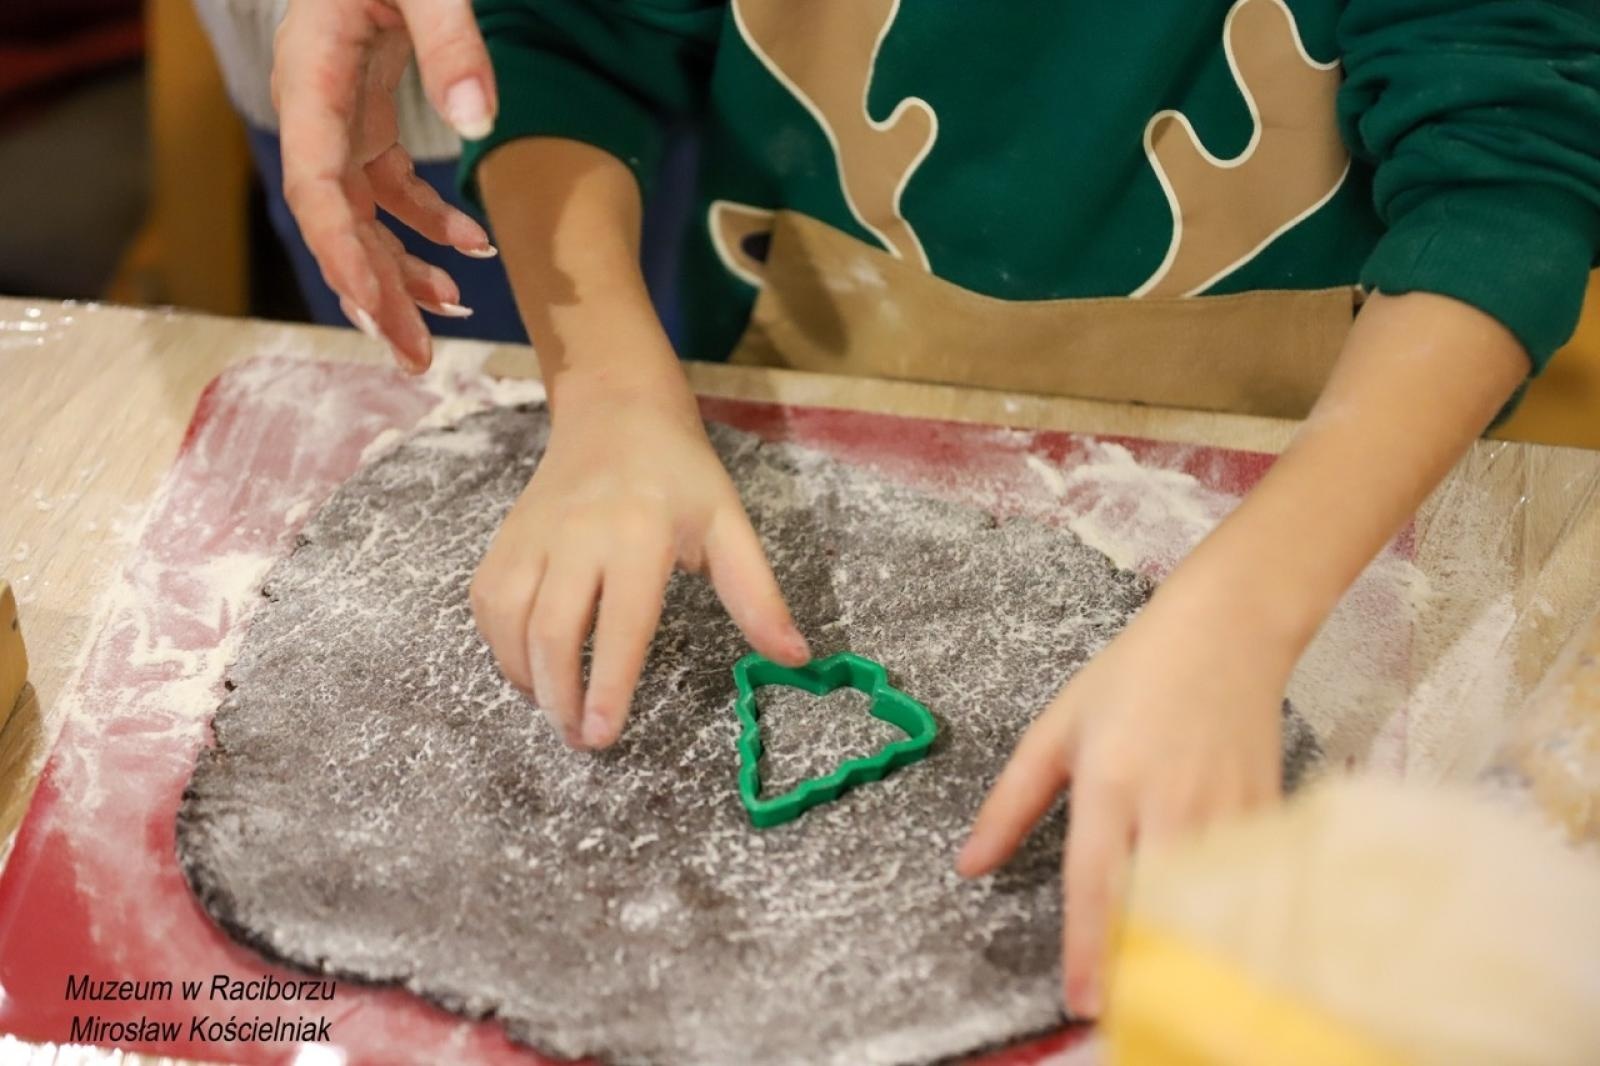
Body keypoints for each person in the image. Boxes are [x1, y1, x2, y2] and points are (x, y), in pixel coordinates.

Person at [270, 0, 1600, 1017]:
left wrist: (1247, 606)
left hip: (1305, 478)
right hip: (799, 400)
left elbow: (1512, 167)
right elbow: (571, 36)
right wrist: (611, 389)